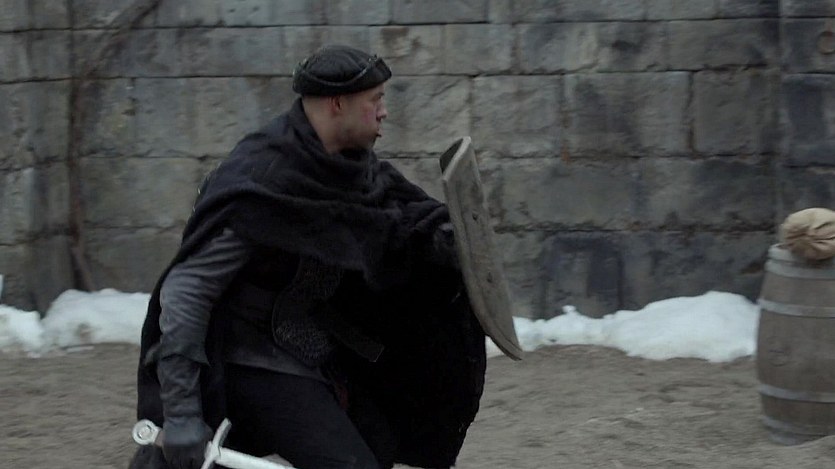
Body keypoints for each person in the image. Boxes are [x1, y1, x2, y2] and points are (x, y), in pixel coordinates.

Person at [129, 45, 487, 469]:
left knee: (380, 440)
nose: (384, 112)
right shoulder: (264, 178)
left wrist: (439, 239)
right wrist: (181, 413)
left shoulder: (348, 166)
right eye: (375, 100)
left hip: (313, 346)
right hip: (249, 357)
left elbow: (394, 212)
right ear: (337, 104)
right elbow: (186, 291)